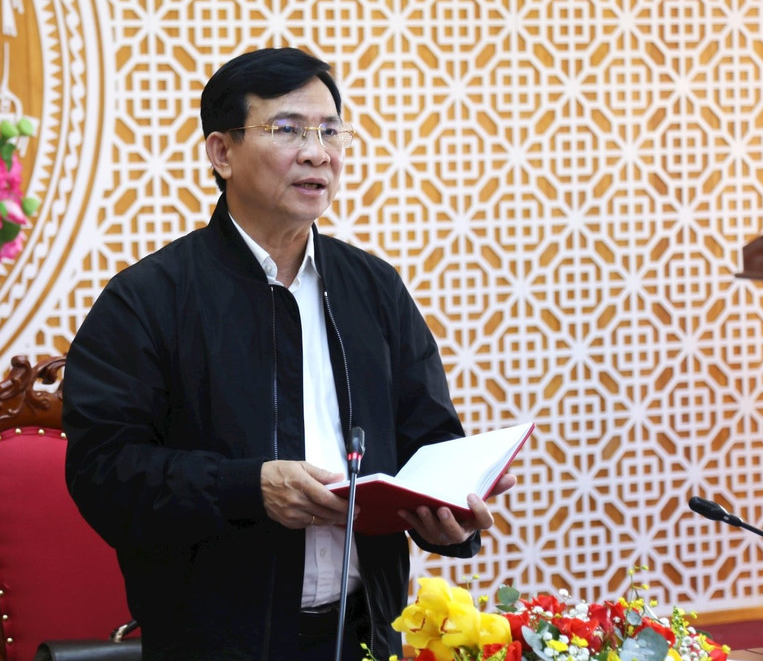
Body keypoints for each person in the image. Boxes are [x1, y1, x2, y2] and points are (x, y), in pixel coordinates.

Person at [62, 47, 516, 661]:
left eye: (330, 131)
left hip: (367, 633)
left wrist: (449, 508)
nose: (317, 153)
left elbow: (427, 439)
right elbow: (104, 474)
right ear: (222, 152)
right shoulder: (147, 300)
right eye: (287, 130)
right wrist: (248, 487)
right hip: (215, 644)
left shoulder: (374, 288)